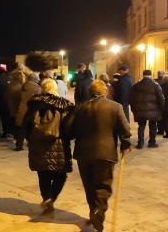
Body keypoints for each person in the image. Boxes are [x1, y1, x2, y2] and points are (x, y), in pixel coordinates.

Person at [68, 80, 132, 232]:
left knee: (89, 184)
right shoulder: (115, 107)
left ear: (90, 92)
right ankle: (98, 212)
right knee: (103, 185)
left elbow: (70, 130)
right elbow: (125, 130)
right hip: (105, 152)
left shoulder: (80, 108)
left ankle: (93, 211)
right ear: (105, 92)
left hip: (83, 153)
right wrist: (125, 144)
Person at [22, 78, 74, 214]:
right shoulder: (64, 106)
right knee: (61, 176)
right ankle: (52, 199)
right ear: (55, 88)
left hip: (38, 146)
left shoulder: (34, 104)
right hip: (59, 146)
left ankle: (46, 198)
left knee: (43, 174)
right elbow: (69, 128)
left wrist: (32, 138)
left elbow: (25, 125)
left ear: (43, 88)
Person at [129, 69, 165, 149]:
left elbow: (131, 98)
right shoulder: (156, 85)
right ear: (151, 75)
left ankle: (140, 143)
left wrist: (134, 109)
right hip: (154, 111)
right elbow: (161, 98)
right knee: (153, 126)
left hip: (140, 110)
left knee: (141, 126)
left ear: (143, 75)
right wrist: (161, 109)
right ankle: (152, 142)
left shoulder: (136, 85)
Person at [15, 73, 41, 151]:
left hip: (22, 109)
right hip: (32, 109)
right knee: (33, 128)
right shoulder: (38, 88)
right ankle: (32, 144)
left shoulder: (23, 86)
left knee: (22, 128)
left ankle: (19, 145)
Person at [6, 71, 26, 142]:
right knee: (18, 123)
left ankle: (13, 135)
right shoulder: (22, 87)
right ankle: (17, 137)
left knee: (13, 120)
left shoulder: (10, 85)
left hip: (10, 106)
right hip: (18, 106)